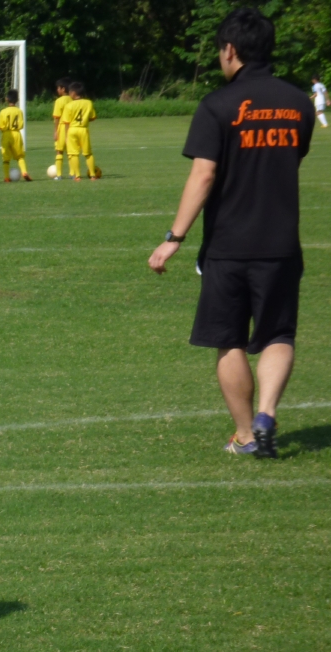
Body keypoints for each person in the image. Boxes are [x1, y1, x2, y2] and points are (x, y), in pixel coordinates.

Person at [148, 7, 314, 458]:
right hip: (281, 243)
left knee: (229, 339)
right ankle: (267, 413)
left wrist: (174, 237)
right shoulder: (299, 103)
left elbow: (204, 175)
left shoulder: (217, 105)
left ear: (230, 50)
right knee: (278, 335)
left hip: (228, 245)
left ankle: (245, 435)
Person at [62, 81, 99, 180]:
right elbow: (93, 117)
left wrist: (66, 136)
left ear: (74, 93)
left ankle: (77, 176)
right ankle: (92, 175)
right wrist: (85, 120)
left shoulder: (69, 105)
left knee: (74, 154)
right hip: (83, 129)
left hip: (72, 130)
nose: (69, 94)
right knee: (88, 153)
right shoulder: (88, 103)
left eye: (70, 92)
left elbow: (66, 122)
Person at [0, 91, 31, 182]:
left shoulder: (3, 112)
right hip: (16, 134)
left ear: (6, 99)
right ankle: (24, 172)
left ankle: (6, 177)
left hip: (6, 134)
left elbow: (0, 126)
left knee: (6, 158)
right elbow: (21, 125)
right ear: (17, 100)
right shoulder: (19, 111)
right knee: (20, 156)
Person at [52, 78, 71, 179]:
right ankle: (73, 174)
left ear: (63, 89)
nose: (57, 90)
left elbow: (57, 117)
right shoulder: (72, 99)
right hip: (72, 127)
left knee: (59, 151)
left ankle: (59, 175)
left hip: (62, 127)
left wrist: (55, 131)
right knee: (71, 152)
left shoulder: (59, 101)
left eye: (58, 88)